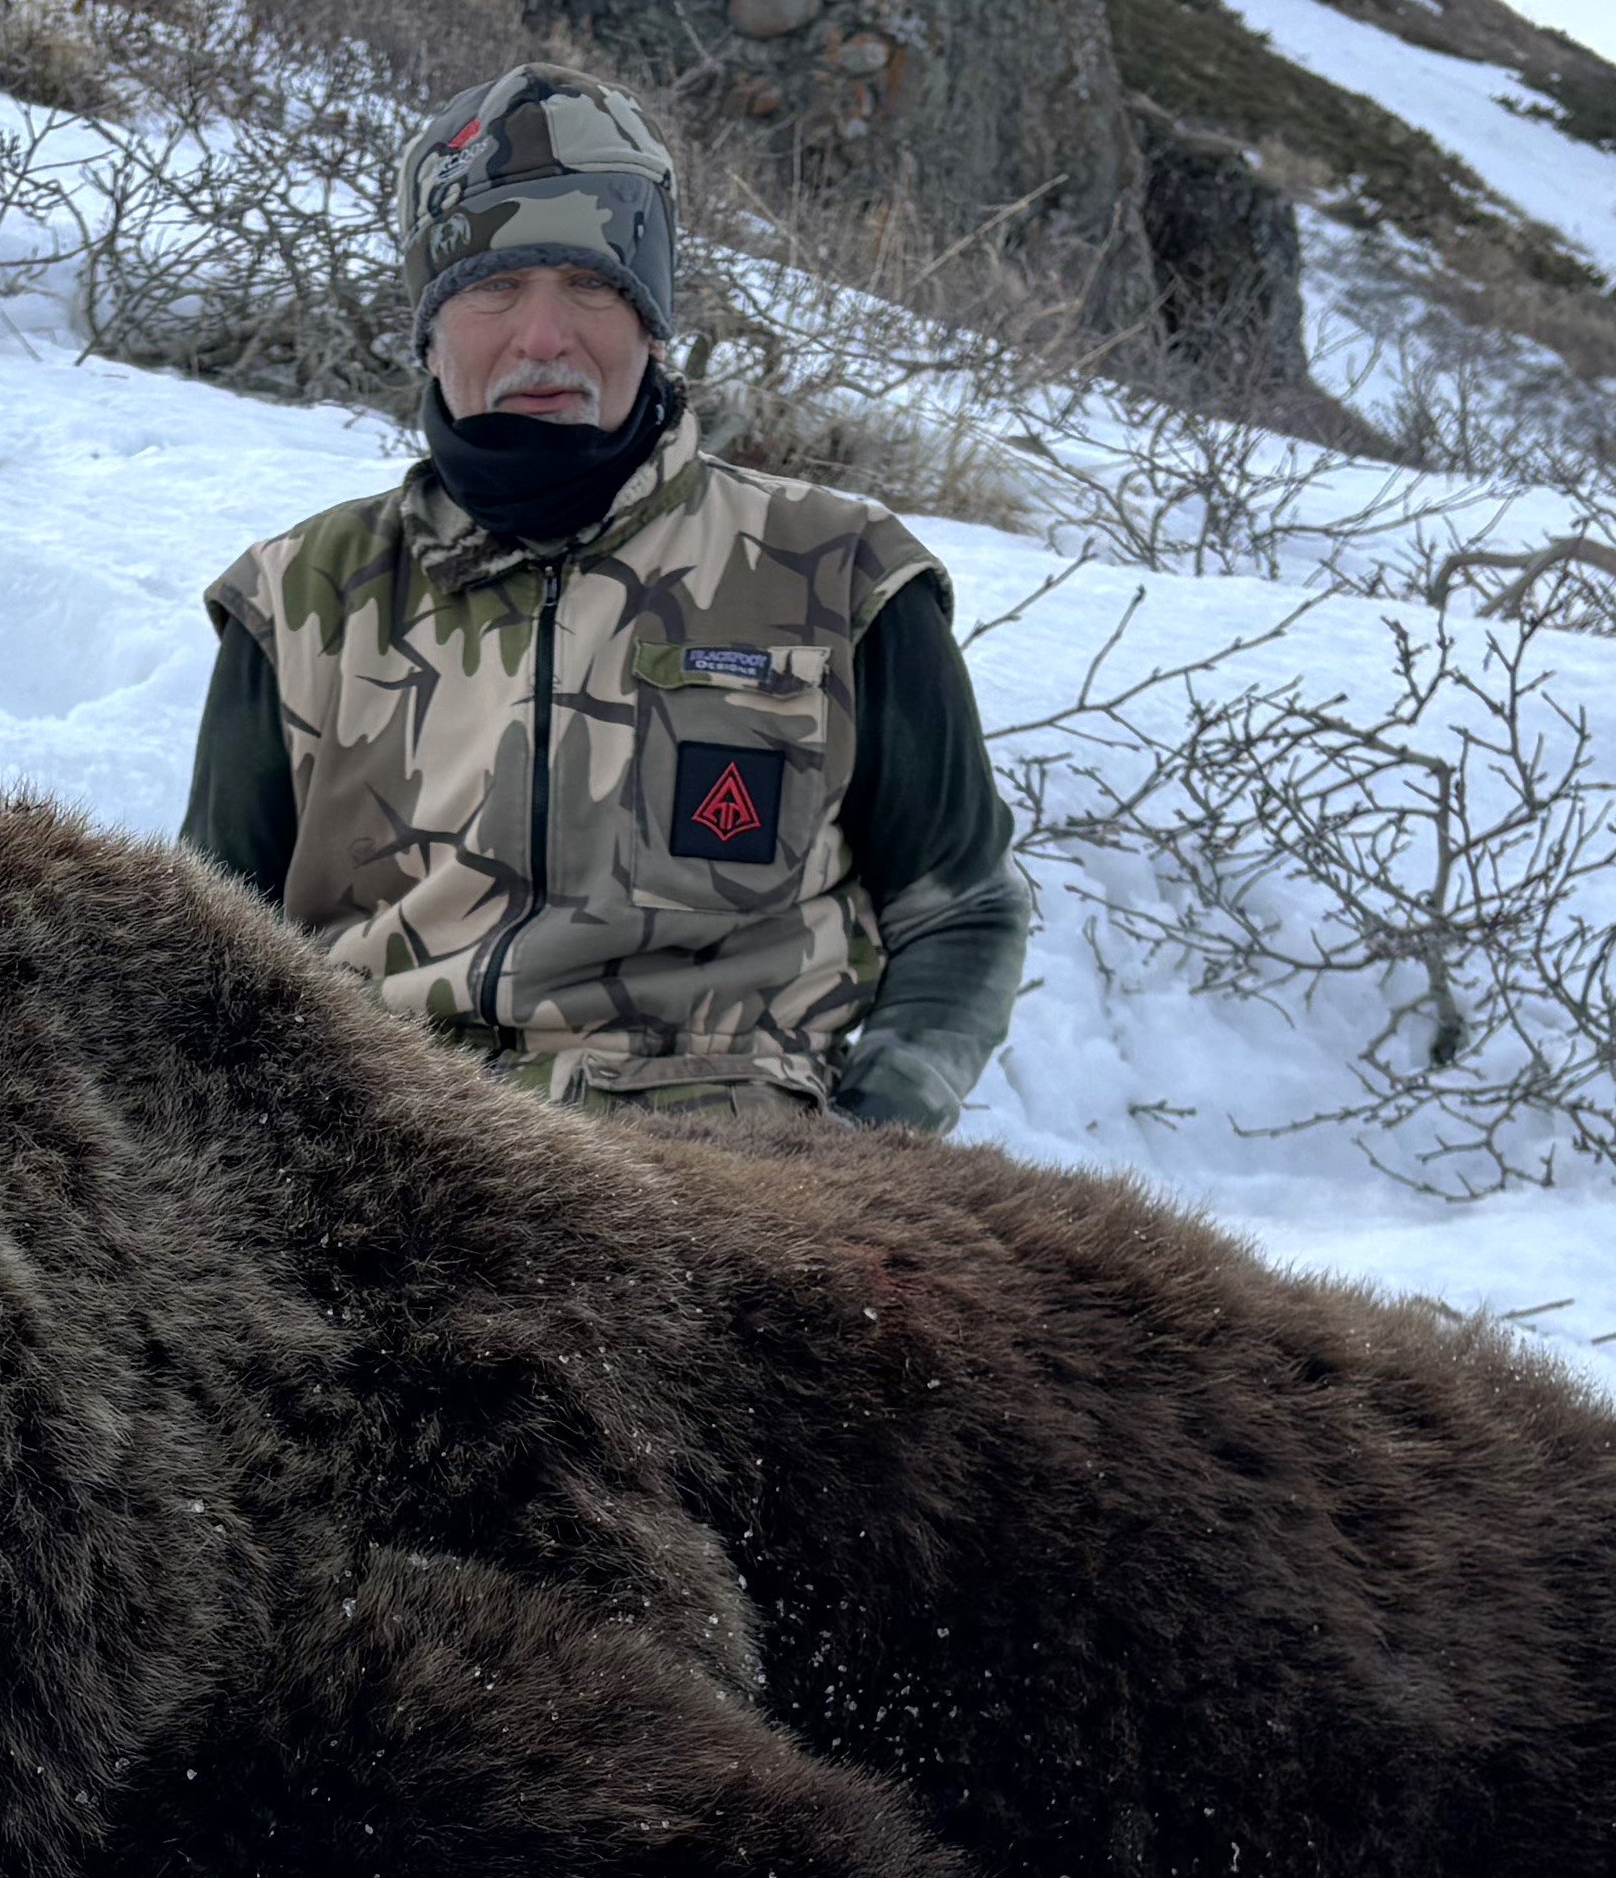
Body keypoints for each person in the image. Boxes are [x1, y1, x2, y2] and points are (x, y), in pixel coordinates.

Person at [184, 64, 1030, 1131]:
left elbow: (965, 909)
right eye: (494, 287)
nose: (545, 338)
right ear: (430, 329)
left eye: (591, 286)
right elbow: (205, 945)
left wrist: (878, 1142)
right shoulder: (298, 595)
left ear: (653, 322)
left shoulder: (843, 571)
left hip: (735, 1178)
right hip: (381, 1166)